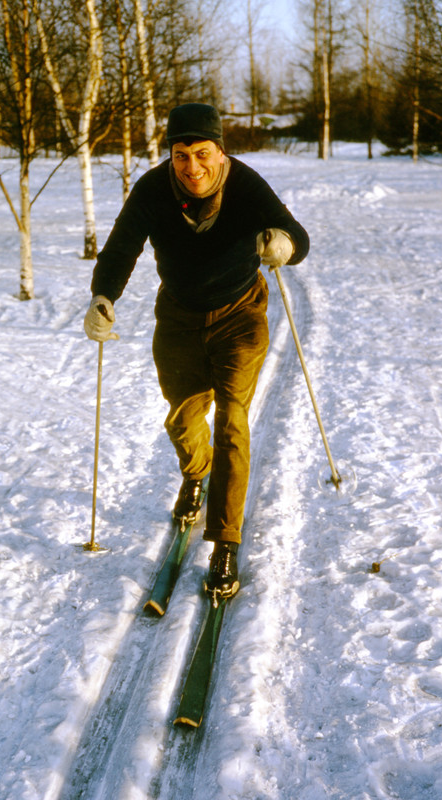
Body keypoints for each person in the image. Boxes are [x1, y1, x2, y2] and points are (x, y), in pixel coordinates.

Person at [84, 103, 309, 602]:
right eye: (181, 155)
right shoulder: (152, 188)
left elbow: (298, 237)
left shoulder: (246, 184)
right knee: (183, 419)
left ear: (219, 152)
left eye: (202, 153)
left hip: (240, 314)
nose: (192, 167)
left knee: (232, 419)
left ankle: (225, 542)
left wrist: (281, 243)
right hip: (180, 316)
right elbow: (121, 247)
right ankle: (195, 473)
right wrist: (103, 296)